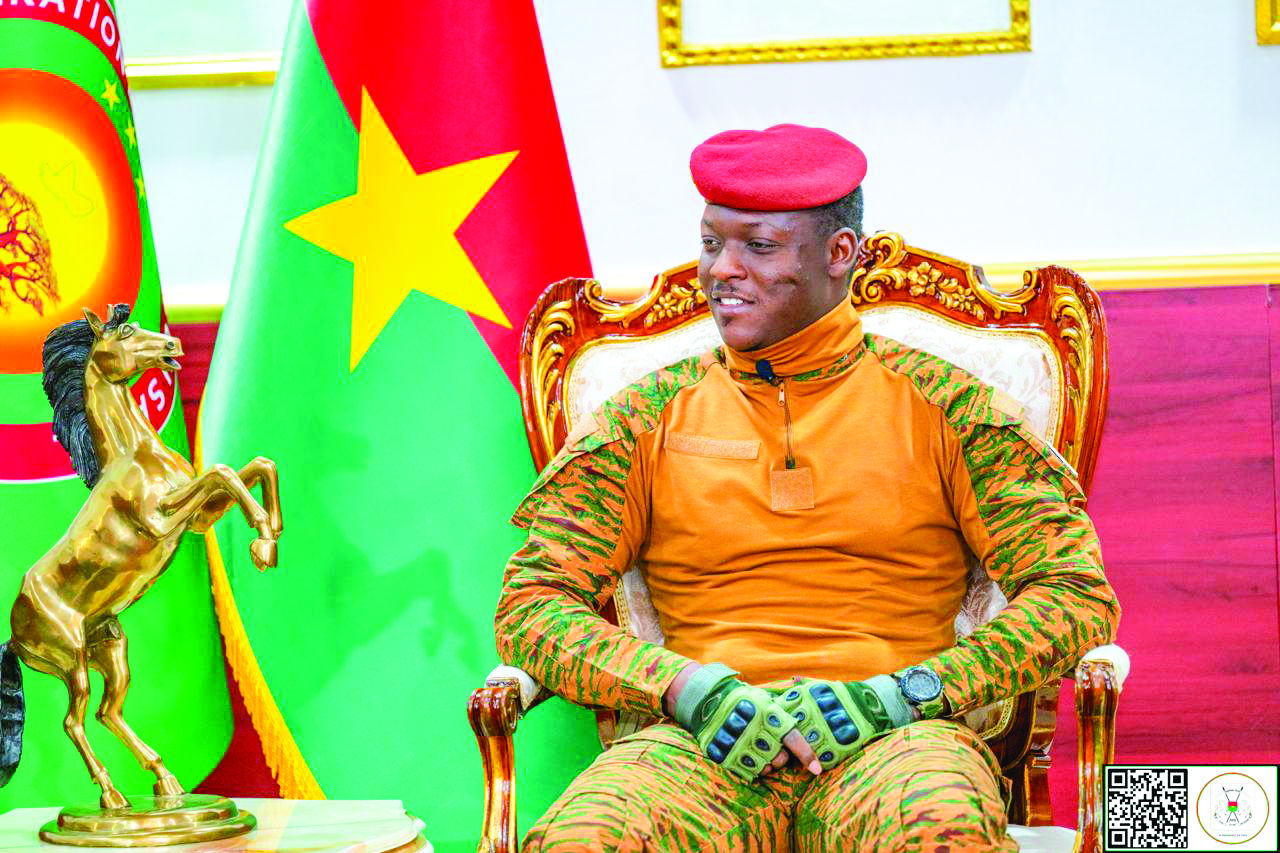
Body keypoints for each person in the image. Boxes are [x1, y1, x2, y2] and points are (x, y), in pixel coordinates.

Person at [494, 124, 1120, 851]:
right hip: (699, 747)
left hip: (895, 742)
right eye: (711, 243)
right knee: (585, 836)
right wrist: (684, 688)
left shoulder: (953, 408)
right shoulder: (642, 419)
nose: (721, 270)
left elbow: (1076, 596)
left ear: (840, 253)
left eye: (758, 247)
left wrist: (906, 694)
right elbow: (531, 606)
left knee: (940, 831)